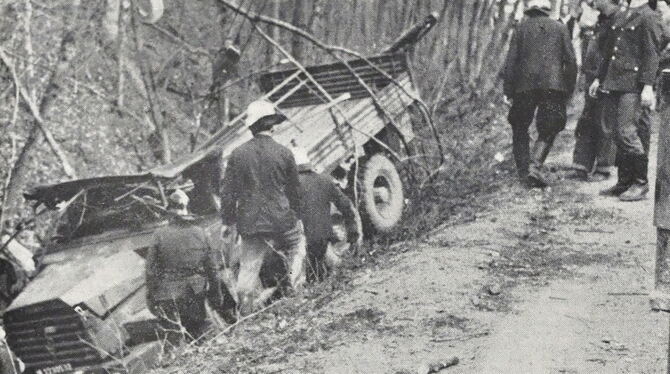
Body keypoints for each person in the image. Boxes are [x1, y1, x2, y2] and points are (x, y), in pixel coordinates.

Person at [220, 100, 306, 316]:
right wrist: (297, 216)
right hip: (282, 219)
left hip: (251, 224)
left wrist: (228, 221)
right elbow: (294, 190)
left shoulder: (237, 155)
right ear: (272, 126)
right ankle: (297, 295)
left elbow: (228, 193)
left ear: (251, 127)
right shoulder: (284, 153)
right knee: (297, 247)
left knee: (249, 267)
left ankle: (247, 313)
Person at [590, 0, 661, 201]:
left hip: (633, 85)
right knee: (615, 133)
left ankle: (640, 183)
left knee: (626, 133)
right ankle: (624, 182)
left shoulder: (648, 16)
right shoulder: (623, 14)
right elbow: (609, 52)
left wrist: (648, 86)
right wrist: (598, 78)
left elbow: (651, 53)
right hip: (614, 82)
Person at [503, 0, 578, 187]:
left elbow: (511, 61)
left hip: (524, 86)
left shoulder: (521, 29)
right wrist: (568, 89)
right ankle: (535, 166)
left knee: (519, 126)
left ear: (530, 11)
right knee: (551, 126)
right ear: (546, 11)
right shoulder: (560, 28)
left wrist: (508, 90)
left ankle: (524, 172)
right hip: (553, 86)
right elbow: (571, 62)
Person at [145, 189, 222, 344]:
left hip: (168, 296)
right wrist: (216, 293)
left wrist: (151, 297)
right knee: (201, 336)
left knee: (176, 340)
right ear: (187, 211)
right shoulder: (200, 233)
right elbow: (212, 269)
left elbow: (150, 271)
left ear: (169, 214)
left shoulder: (158, 235)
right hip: (195, 292)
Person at [292, 147, 360, 281]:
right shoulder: (324, 180)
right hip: (324, 239)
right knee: (324, 270)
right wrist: (353, 231)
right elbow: (346, 205)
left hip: (305, 243)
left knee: (311, 277)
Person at [570, 0, 621, 181]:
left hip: (607, 78)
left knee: (605, 121)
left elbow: (612, 54)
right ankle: (581, 165)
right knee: (588, 118)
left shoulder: (619, 19)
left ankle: (603, 167)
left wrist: (603, 78)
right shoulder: (600, 19)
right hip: (592, 76)